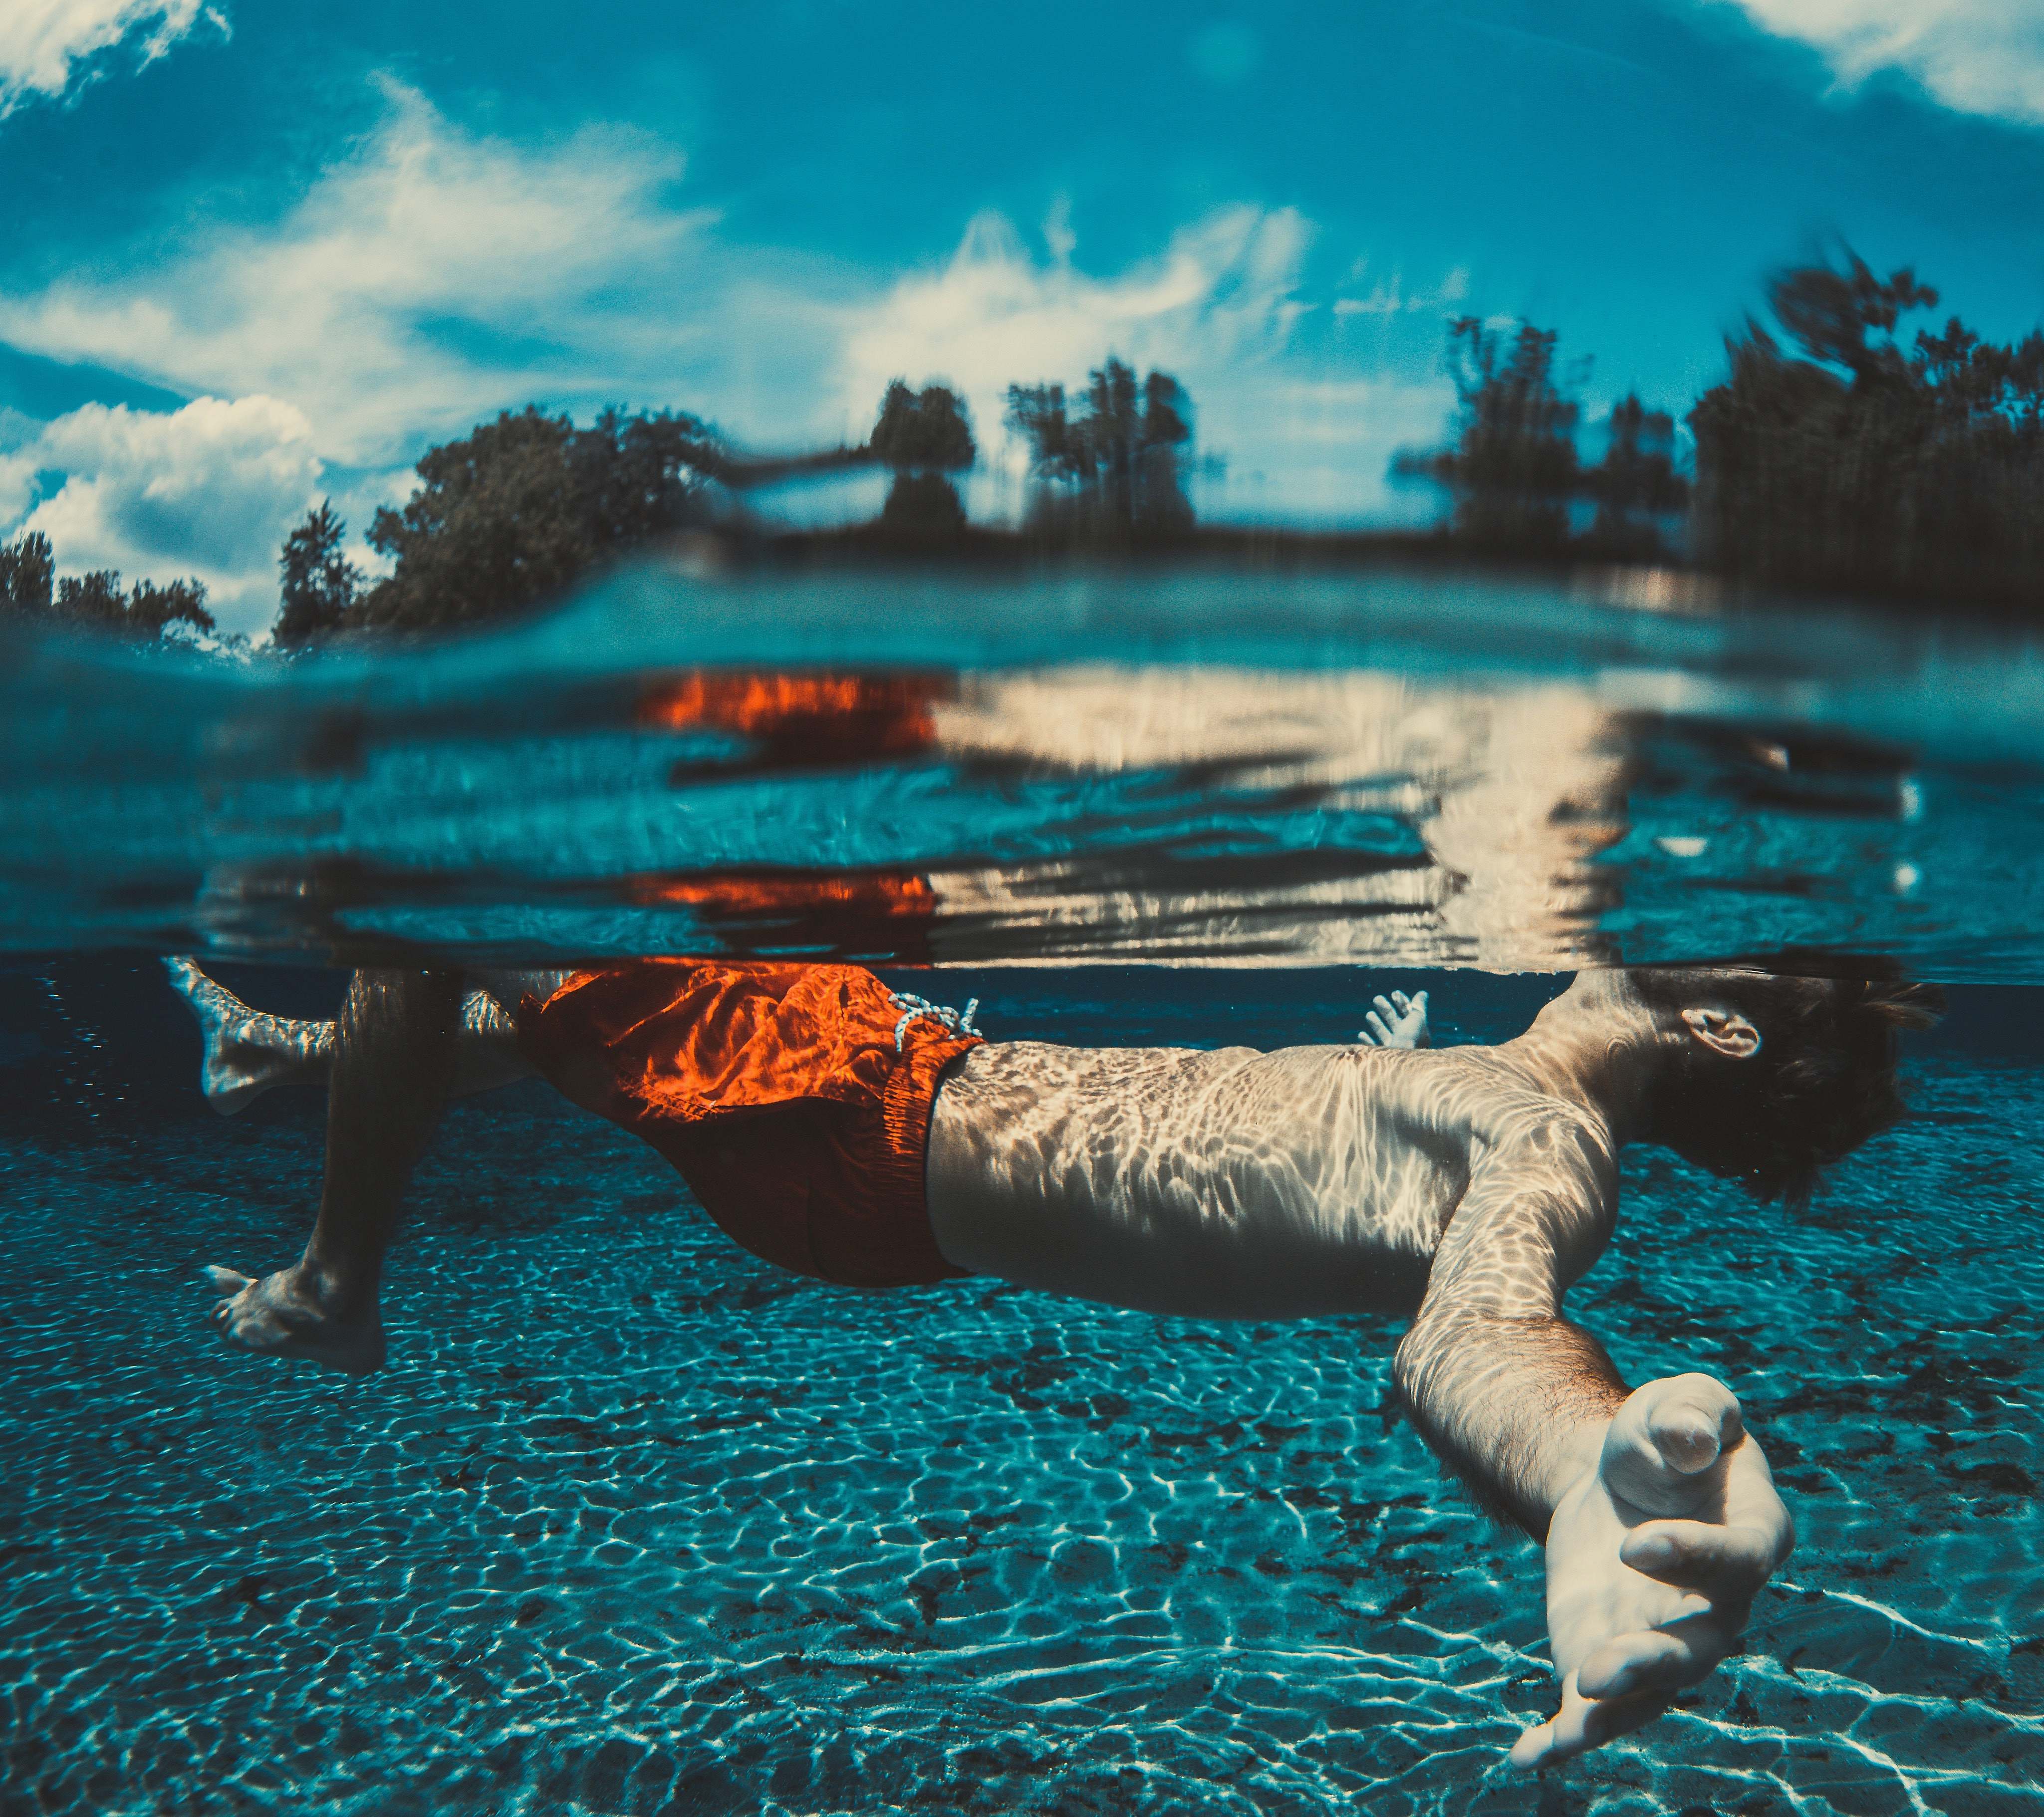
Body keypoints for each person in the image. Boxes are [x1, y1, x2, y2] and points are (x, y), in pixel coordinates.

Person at [170, 953, 1936, 1770]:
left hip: (871, 1115)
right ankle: (302, 1055)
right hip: (885, 1138)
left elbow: (1482, 1324)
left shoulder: (1543, 1136)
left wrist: (1584, 1470)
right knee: (527, 1000)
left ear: (1724, 1016)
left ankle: (337, 1281)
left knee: (419, 920)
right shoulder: (1508, 1089)